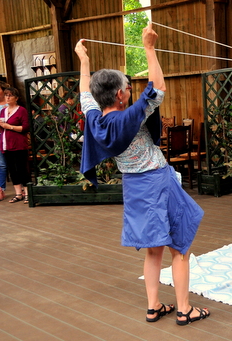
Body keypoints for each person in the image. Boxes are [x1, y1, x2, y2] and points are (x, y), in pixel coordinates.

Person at [75, 23, 210, 326]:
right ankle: (185, 309)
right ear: (121, 95)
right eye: (127, 88)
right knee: (180, 247)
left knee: (153, 251)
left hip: (134, 188)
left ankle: (153, 306)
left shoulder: (96, 120)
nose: (130, 92)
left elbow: (85, 94)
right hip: (158, 183)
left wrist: (84, 61)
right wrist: (149, 48)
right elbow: (158, 90)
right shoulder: (130, 117)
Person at [0, 87, 31, 204]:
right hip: (6, 144)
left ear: (16, 98)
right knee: (12, 170)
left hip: (19, 144)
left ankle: (27, 193)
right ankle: (18, 193)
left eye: (10, 95)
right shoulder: (3, 111)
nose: (7, 97)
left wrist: (10, 127)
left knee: (22, 169)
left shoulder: (21, 110)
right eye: (6, 95)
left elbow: (25, 127)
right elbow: (0, 129)